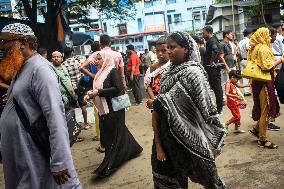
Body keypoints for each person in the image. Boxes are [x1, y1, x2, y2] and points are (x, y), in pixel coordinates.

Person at [0, 23, 82, 188]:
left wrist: (60, 162)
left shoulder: (40, 69)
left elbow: (55, 117)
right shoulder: (22, 68)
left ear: (22, 42)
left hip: (35, 154)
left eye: (5, 42)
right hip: (23, 155)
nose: (2, 48)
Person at [151, 32, 226, 189]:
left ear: (186, 49)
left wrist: (161, 101)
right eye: (167, 48)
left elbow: (206, 108)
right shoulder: (169, 71)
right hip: (167, 132)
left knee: (206, 173)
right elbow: (163, 100)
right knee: (170, 176)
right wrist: (160, 102)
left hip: (189, 132)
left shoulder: (194, 72)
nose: (169, 51)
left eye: (173, 47)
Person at [84, 51, 143, 178]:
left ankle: (109, 165)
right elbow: (97, 88)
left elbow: (118, 88)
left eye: (99, 59)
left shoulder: (112, 71)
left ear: (105, 59)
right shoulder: (100, 72)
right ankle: (134, 149)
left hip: (114, 110)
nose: (97, 61)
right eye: (97, 59)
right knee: (118, 132)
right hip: (104, 110)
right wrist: (89, 94)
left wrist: (98, 92)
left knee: (113, 136)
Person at [248, 27, 284, 149]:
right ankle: (262, 140)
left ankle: (256, 129)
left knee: (262, 107)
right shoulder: (263, 48)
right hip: (264, 82)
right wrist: (281, 60)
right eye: (268, 34)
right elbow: (266, 66)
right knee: (266, 110)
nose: (269, 37)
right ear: (262, 35)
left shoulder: (255, 47)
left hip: (257, 82)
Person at [203, 26, 228, 115]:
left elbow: (216, 51)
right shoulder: (212, 40)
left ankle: (219, 109)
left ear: (209, 32)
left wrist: (211, 61)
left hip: (213, 69)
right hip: (211, 69)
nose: (203, 35)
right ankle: (217, 108)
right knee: (215, 88)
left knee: (217, 89)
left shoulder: (212, 40)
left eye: (204, 33)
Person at [144, 36, 170, 109]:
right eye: (157, 51)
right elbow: (148, 85)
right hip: (157, 102)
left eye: (163, 51)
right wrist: (154, 99)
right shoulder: (153, 67)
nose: (160, 54)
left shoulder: (173, 65)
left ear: (170, 50)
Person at [219, 30, 236, 101]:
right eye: (231, 34)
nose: (232, 36)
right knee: (224, 82)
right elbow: (221, 56)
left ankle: (231, 95)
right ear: (226, 35)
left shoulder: (229, 43)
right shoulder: (222, 44)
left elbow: (234, 50)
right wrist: (226, 66)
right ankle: (223, 98)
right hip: (226, 67)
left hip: (231, 65)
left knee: (232, 81)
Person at [238, 28, 254, 96]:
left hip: (242, 60)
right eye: (252, 34)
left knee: (245, 76)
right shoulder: (248, 41)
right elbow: (248, 49)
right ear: (249, 34)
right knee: (252, 75)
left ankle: (246, 91)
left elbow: (238, 53)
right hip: (248, 60)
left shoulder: (240, 41)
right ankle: (252, 90)